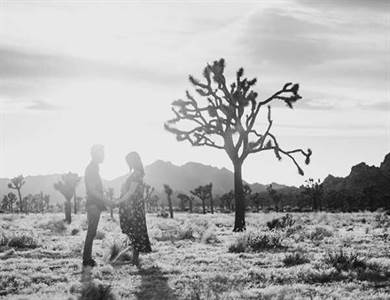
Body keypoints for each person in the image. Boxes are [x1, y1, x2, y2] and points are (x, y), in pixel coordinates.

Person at [114, 151, 151, 265]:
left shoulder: (137, 173)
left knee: (134, 229)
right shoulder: (136, 173)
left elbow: (131, 192)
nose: (127, 163)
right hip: (131, 206)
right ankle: (134, 258)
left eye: (128, 161)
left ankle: (135, 259)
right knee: (134, 229)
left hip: (133, 207)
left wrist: (118, 201)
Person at [82, 144, 107, 267]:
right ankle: (86, 259)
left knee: (91, 232)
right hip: (93, 205)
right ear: (96, 154)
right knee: (91, 232)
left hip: (94, 204)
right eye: (102, 153)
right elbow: (92, 190)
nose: (104, 155)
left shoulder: (94, 168)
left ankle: (87, 258)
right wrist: (105, 199)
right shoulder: (92, 168)